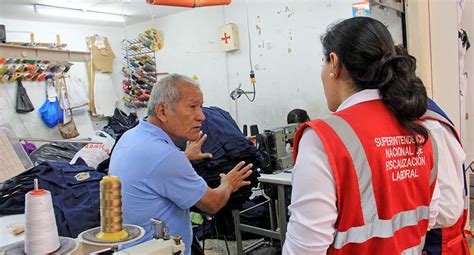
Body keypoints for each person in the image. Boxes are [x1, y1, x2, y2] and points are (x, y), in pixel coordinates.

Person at [283, 17, 438, 254]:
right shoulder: (421, 131)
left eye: (323, 64)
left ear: (334, 63)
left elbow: (304, 248)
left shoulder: (323, 139)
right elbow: (433, 214)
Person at [109, 74, 253, 255]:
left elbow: (152, 172)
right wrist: (228, 183)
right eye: (192, 107)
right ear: (162, 111)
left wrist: (184, 157)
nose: (201, 116)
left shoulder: (131, 137)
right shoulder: (165, 156)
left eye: (200, 107)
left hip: (133, 246)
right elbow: (212, 204)